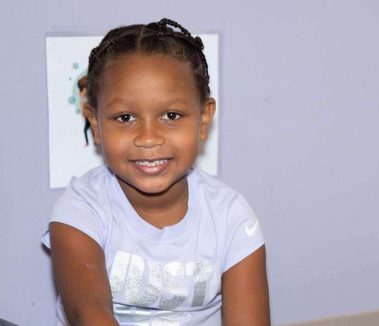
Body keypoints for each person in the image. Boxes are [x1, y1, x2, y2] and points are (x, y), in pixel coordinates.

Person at [43, 18, 270, 325]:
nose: (148, 137)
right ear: (95, 123)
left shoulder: (231, 218)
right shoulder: (81, 209)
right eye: (125, 118)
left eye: (171, 115)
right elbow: (89, 314)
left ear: (204, 120)